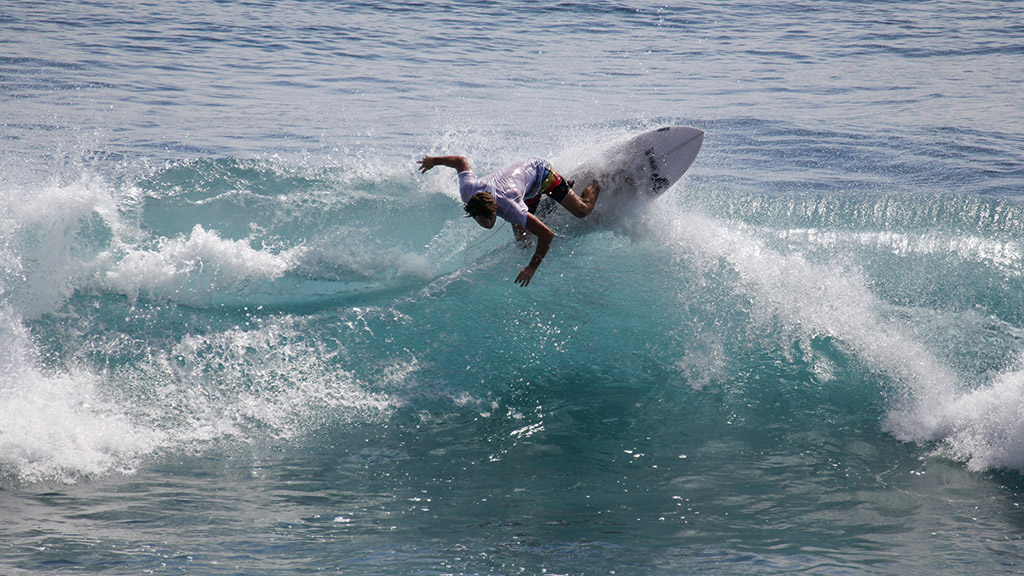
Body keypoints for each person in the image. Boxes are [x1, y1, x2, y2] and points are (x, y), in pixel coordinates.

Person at [418, 155, 600, 287]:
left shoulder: (510, 208)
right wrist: (433, 161)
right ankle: (551, 202)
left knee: (582, 211)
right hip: (523, 188)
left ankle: (600, 179)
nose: (485, 225)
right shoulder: (468, 192)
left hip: (540, 173)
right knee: (523, 242)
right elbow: (460, 161)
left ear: (496, 211)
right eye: (480, 220)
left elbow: (547, 235)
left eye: (488, 221)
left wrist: (532, 267)